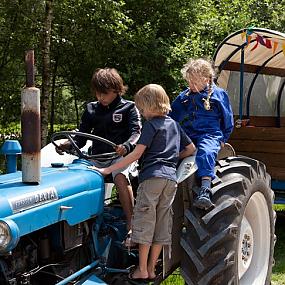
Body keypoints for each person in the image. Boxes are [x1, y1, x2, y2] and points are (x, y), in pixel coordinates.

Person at [91, 84, 196, 281]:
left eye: (142, 108)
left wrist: (107, 169)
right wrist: (173, 159)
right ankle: (151, 269)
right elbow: (191, 148)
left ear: (149, 105)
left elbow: (136, 153)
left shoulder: (151, 125)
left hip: (152, 179)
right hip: (170, 180)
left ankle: (141, 270)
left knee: (144, 223)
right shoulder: (174, 124)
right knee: (161, 225)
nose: (141, 112)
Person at [56, 68, 141, 230]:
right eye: (97, 93)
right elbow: (81, 138)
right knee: (76, 174)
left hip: (121, 157)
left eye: (105, 93)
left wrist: (126, 146)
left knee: (120, 176)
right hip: (97, 157)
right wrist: (67, 144)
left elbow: (136, 133)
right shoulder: (91, 109)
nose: (100, 97)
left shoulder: (129, 108)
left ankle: (132, 223)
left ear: (116, 90)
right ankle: (81, 223)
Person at [169, 58, 234, 210]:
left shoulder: (218, 94)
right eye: (189, 82)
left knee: (206, 151)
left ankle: (205, 188)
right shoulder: (185, 95)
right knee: (174, 149)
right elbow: (172, 114)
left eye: (194, 82)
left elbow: (228, 118)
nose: (190, 85)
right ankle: (168, 182)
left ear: (206, 79)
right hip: (190, 133)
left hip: (210, 133)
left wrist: (223, 138)